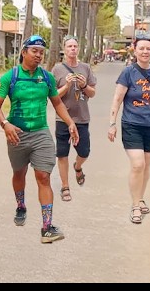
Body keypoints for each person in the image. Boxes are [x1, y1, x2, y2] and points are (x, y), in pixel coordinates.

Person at [0, 34, 80, 244]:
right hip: (17, 134)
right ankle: (21, 205)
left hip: (41, 133)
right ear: (24, 52)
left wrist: (70, 122)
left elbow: (57, 102)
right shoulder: (11, 77)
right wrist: (5, 124)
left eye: (41, 52)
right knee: (19, 173)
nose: (39, 55)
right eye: (34, 51)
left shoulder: (47, 78)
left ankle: (47, 227)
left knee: (43, 177)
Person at [107, 33, 150, 224]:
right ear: (135, 51)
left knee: (146, 164)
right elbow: (117, 99)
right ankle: (135, 205)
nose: (145, 52)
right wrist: (112, 123)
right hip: (132, 124)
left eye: (148, 48)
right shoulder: (128, 73)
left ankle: (140, 197)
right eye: (141, 48)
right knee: (138, 164)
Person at [50, 35, 97, 202]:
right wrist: (67, 85)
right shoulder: (57, 70)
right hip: (62, 118)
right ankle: (65, 186)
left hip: (82, 118)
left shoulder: (85, 68)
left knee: (84, 152)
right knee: (62, 153)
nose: (72, 49)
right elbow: (53, 95)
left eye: (75, 46)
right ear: (64, 49)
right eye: (69, 46)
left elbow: (92, 93)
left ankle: (78, 166)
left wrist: (84, 85)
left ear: (78, 49)